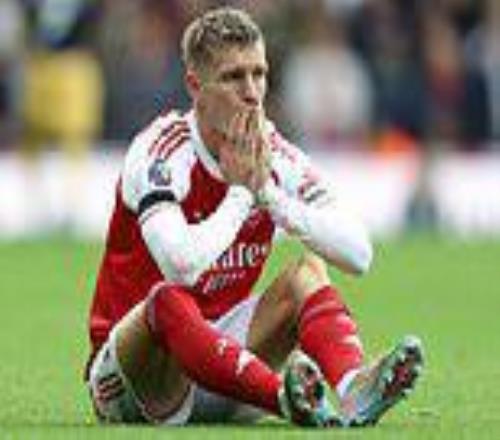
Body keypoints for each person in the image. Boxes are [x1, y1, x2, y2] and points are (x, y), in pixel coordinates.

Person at [85, 7, 424, 427]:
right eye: (233, 77)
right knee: (167, 299)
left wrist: (271, 198)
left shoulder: (273, 155)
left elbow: (359, 254)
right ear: (195, 86)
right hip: (135, 382)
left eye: (259, 74)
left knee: (307, 272)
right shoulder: (161, 152)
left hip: (226, 369)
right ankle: (285, 398)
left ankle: (354, 388)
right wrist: (242, 194)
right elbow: (180, 267)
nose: (251, 92)